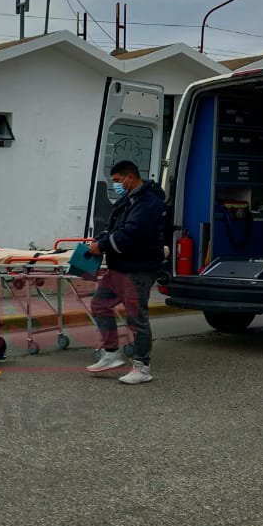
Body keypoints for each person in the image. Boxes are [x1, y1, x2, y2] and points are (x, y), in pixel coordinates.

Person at [85, 159, 168, 385]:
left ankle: (142, 367)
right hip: (119, 267)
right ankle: (111, 354)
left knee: (136, 317)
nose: (116, 186)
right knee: (100, 305)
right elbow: (115, 228)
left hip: (139, 268)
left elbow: (133, 232)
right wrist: (99, 240)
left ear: (130, 177)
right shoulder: (128, 200)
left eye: (118, 181)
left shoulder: (150, 202)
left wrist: (102, 245)